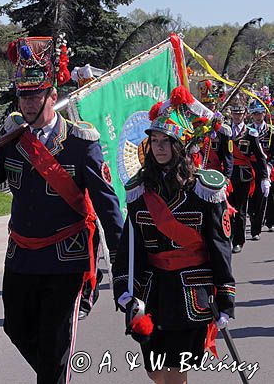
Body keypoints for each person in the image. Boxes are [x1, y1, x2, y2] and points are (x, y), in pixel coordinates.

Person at [0, 36, 124, 384]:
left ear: (52, 96)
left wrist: (123, 262)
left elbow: (107, 206)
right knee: (17, 329)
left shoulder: (80, 144)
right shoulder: (12, 140)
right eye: (23, 95)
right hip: (21, 256)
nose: (27, 103)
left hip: (66, 260)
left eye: (35, 95)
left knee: (55, 349)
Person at [112, 86, 235, 384]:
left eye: (166, 141)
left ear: (180, 145)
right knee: (154, 371)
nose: (159, 147)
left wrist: (226, 295)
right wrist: (125, 290)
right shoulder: (139, 191)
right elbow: (131, 248)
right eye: (154, 141)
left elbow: (219, 245)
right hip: (152, 292)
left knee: (175, 371)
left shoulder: (202, 191)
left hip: (190, 291)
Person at [228, 99, 269, 251]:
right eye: (234, 114)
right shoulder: (225, 131)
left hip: (244, 176)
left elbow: (259, 156)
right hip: (228, 175)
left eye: (239, 114)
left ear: (245, 115)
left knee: (240, 210)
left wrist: (264, 177)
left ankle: (238, 241)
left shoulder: (251, 133)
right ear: (231, 114)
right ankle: (228, 237)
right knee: (227, 209)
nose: (237, 116)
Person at [196, 79, 233, 179]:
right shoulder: (193, 126)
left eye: (210, 106)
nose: (207, 109)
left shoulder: (223, 130)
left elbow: (228, 158)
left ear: (215, 106)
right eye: (205, 106)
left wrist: (227, 178)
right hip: (195, 173)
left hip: (215, 175)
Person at [247, 96, 273, 234]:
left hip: (267, 166)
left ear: (264, 113)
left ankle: (259, 226)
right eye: (255, 113)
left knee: (266, 195)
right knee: (252, 197)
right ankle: (253, 218)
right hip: (250, 166)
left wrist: (269, 166)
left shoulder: (270, 131)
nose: (258, 116)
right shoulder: (247, 130)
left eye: (260, 113)